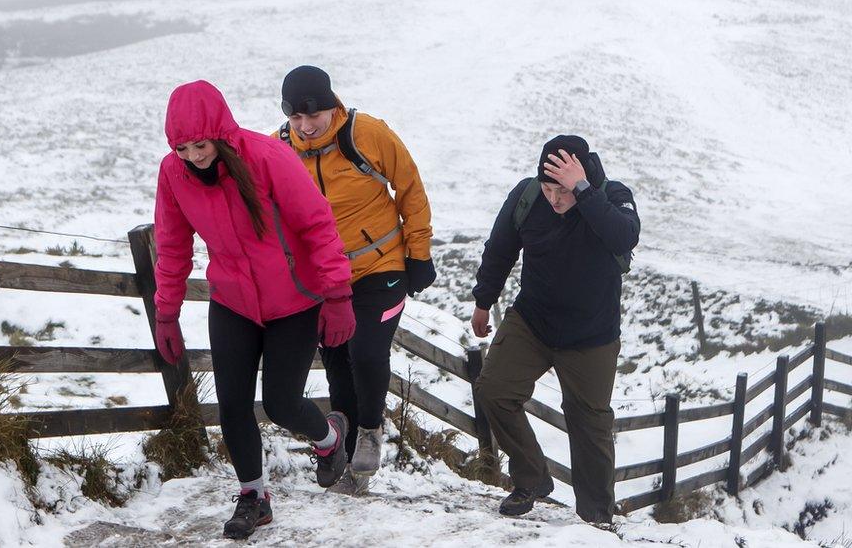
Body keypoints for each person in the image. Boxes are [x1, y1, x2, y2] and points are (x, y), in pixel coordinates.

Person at [152, 80, 356, 540]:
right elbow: (172, 244)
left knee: (281, 404)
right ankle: (254, 498)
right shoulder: (173, 174)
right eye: (182, 148)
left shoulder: (265, 156)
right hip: (233, 302)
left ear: (220, 133)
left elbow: (317, 223)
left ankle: (330, 439)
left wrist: (338, 295)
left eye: (201, 144)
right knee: (233, 405)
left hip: (294, 301)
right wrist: (167, 312)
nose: (194, 156)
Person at [273, 66, 435, 495]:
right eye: (296, 119)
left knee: (366, 349)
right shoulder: (279, 149)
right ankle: (344, 453)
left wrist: (418, 254)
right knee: (338, 361)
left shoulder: (368, 134)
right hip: (325, 279)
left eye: (315, 116)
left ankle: (370, 430)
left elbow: (411, 189)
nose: (306, 127)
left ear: (333, 106)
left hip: (380, 266)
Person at [470, 135, 640, 524]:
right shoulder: (528, 197)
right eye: (548, 188)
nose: (554, 199)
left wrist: (583, 191)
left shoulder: (611, 197)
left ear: (582, 180)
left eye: (562, 189)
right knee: (494, 389)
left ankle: (596, 517)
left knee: (590, 423)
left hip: (592, 335)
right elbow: (500, 248)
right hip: (534, 321)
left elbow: (624, 236)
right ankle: (531, 479)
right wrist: (484, 300)